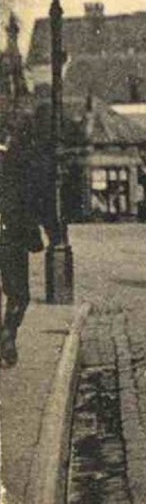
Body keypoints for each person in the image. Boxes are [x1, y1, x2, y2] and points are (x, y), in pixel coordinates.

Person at [0, 115, 44, 367]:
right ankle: (8, 333)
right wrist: (34, 239)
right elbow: (28, 204)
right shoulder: (18, 165)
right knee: (19, 294)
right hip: (12, 238)